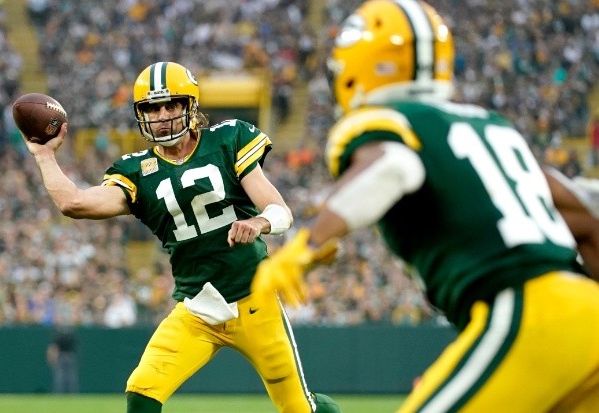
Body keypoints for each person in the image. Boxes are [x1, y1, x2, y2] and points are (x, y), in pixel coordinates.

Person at [251, 1, 599, 411]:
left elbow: (394, 166)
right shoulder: (491, 127)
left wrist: (310, 241)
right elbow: (587, 216)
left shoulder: (387, 122)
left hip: (527, 315)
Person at [23, 61, 340, 413]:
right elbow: (73, 203)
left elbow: (280, 212)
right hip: (196, 308)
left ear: (190, 106)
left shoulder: (228, 140)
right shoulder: (136, 170)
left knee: (299, 408)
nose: (161, 115)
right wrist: (44, 156)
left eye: (170, 105)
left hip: (255, 301)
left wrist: (259, 223)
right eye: (151, 108)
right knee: (142, 390)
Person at [47, 326, 79, 393]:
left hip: (64, 356)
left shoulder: (60, 335)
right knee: (65, 376)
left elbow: (53, 347)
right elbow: (54, 347)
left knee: (64, 375)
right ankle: (65, 392)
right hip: (67, 356)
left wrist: (52, 357)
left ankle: (65, 392)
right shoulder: (69, 335)